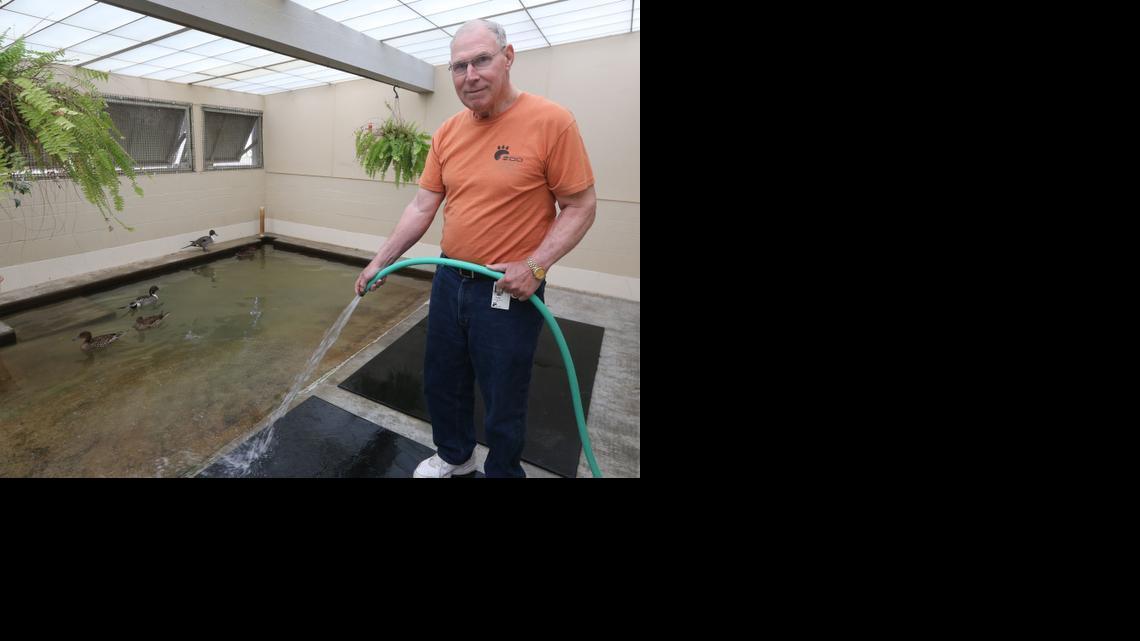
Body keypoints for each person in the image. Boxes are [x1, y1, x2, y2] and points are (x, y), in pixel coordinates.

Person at [355, 18, 596, 478]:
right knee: (443, 380)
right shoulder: (447, 132)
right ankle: (454, 455)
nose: (471, 75)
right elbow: (423, 205)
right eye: (459, 66)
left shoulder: (551, 122)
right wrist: (379, 263)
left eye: (481, 60)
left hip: (509, 287)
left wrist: (535, 265)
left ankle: (503, 471)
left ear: (508, 58)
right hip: (449, 279)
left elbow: (581, 205)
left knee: (504, 391)